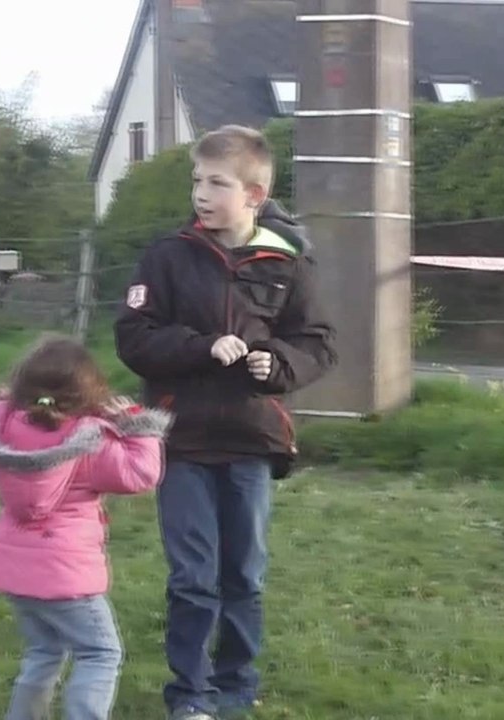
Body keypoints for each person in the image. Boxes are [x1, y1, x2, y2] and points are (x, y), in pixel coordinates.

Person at [114, 124, 338, 720]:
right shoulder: (166, 257)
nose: (201, 194)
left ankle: (235, 686)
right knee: (193, 576)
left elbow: (317, 343)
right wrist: (201, 347)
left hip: (250, 440)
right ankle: (190, 694)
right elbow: (134, 338)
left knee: (244, 575)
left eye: (217, 183)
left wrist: (277, 363)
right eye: (197, 181)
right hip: (181, 440)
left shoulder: (288, 264)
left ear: (254, 195)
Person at [0, 335, 174, 720]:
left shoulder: (1, 426)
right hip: (65, 572)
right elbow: (141, 474)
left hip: (14, 567)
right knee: (100, 652)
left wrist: (5, 403)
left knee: (43, 650)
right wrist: (137, 425)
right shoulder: (89, 440)